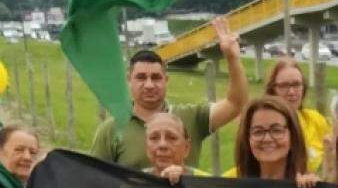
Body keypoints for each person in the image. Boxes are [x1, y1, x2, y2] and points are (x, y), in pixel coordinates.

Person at [89, 17, 248, 172]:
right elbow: (94, 181)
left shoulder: (191, 117)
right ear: (129, 80)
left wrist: (232, 58)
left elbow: (236, 104)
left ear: (166, 80)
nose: (149, 85)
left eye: (156, 78)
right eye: (141, 77)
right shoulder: (110, 130)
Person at [231, 96, 319, 188]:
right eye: (258, 132)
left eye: (276, 130)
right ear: (247, 138)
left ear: (293, 136)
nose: (267, 139)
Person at [265, 58, 331, 173]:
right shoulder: (262, 125)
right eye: (284, 86)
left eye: (296, 85)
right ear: (272, 89)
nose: (291, 92)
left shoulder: (315, 119)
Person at [142, 112, 208, 184]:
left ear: (186, 148)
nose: (162, 145)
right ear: (146, 147)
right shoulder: (135, 183)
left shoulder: (206, 184)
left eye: (172, 138)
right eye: (154, 138)